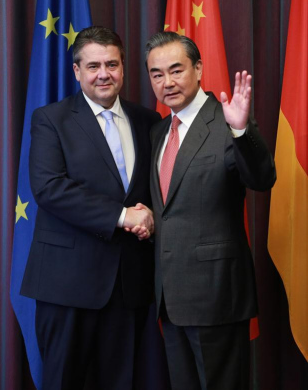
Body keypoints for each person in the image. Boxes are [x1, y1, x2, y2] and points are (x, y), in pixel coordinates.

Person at [20, 26, 161, 390]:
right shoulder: (51, 118)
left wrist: (151, 220)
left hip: (129, 285)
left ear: (124, 67)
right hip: (67, 284)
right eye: (94, 65)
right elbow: (49, 188)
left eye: (112, 64)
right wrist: (124, 216)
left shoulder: (148, 120)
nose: (104, 74)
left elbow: (157, 190)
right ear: (76, 71)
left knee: (122, 381)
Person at [144, 31, 276, 390]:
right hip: (170, 299)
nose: (167, 82)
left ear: (199, 68)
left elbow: (262, 178)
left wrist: (240, 130)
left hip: (216, 297)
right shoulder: (158, 133)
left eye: (176, 70)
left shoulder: (226, 121)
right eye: (157, 74)